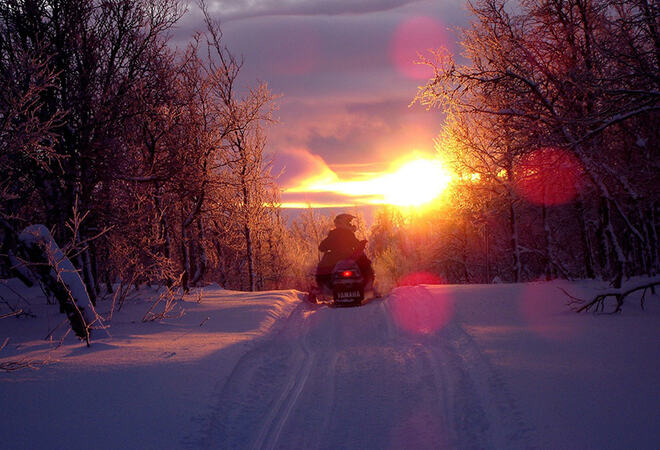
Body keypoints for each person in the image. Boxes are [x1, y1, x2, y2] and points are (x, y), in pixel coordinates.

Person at [315, 213, 374, 291]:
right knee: (366, 264)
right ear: (343, 223)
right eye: (349, 222)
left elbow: (321, 247)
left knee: (321, 268)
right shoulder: (348, 234)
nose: (351, 225)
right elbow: (356, 245)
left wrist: (328, 247)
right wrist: (361, 244)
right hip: (349, 257)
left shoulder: (332, 234)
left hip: (333, 259)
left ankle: (325, 287)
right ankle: (367, 285)